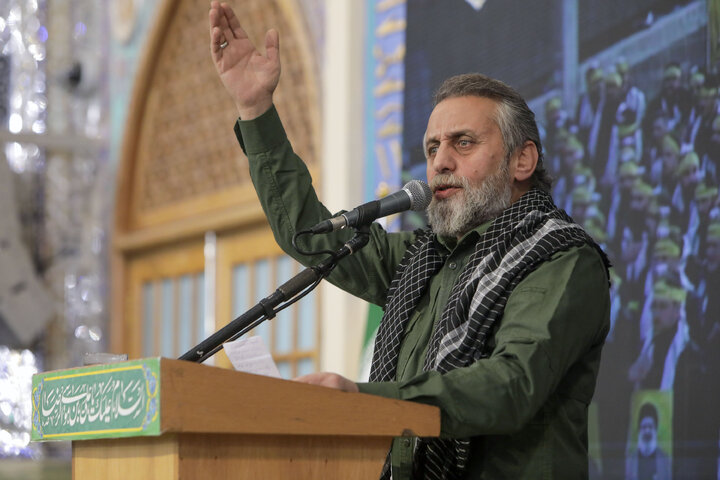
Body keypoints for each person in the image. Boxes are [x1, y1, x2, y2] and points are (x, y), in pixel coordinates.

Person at [208, 2, 611, 478]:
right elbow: (310, 237)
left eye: (463, 143)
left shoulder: (562, 258)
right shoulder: (423, 258)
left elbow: (510, 385)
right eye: (432, 147)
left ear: (522, 161)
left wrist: (367, 400)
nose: (440, 161)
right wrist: (255, 110)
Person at [625, 402, 671, 480]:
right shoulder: (630, 460)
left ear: (656, 430)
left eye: (650, 426)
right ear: (639, 430)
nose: (647, 431)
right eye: (644, 427)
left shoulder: (665, 460)